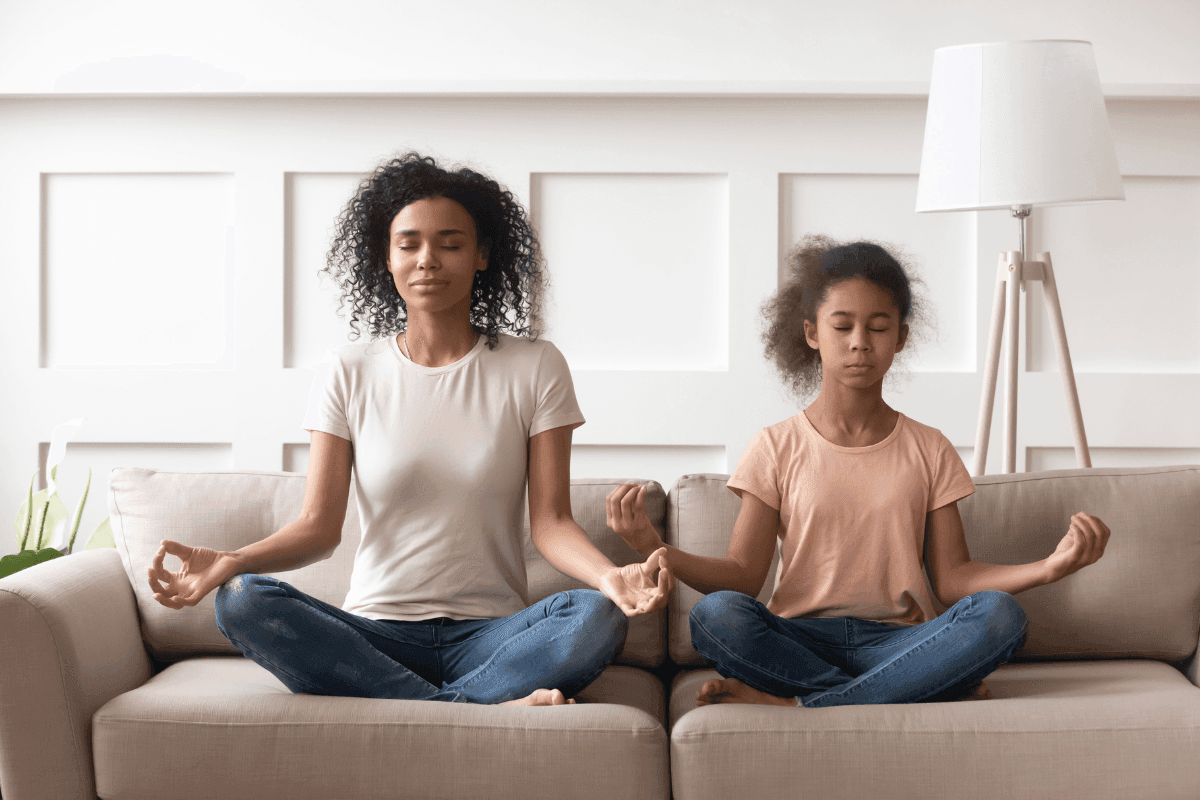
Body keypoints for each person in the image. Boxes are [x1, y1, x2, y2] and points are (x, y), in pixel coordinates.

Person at [148, 152, 673, 707]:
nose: (428, 260)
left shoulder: (535, 366)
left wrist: (609, 577)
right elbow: (318, 527)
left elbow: (552, 522)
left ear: (481, 255)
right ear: (387, 257)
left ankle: (421, 709)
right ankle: (474, 709)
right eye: (409, 244)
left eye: (450, 244)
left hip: (491, 633)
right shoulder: (346, 370)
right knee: (242, 600)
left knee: (595, 614)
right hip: (375, 634)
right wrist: (235, 560)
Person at [607, 235, 1110, 708]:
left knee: (1000, 617)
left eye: (878, 327)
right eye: (842, 326)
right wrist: (653, 545)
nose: (859, 343)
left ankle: (802, 700)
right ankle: (912, 688)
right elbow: (743, 577)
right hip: (798, 639)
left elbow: (955, 579)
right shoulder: (774, 446)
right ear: (812, 333)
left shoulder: (929, 447)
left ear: (901, 337)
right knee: (715, 618)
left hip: (901, 640)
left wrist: (1048, 569)